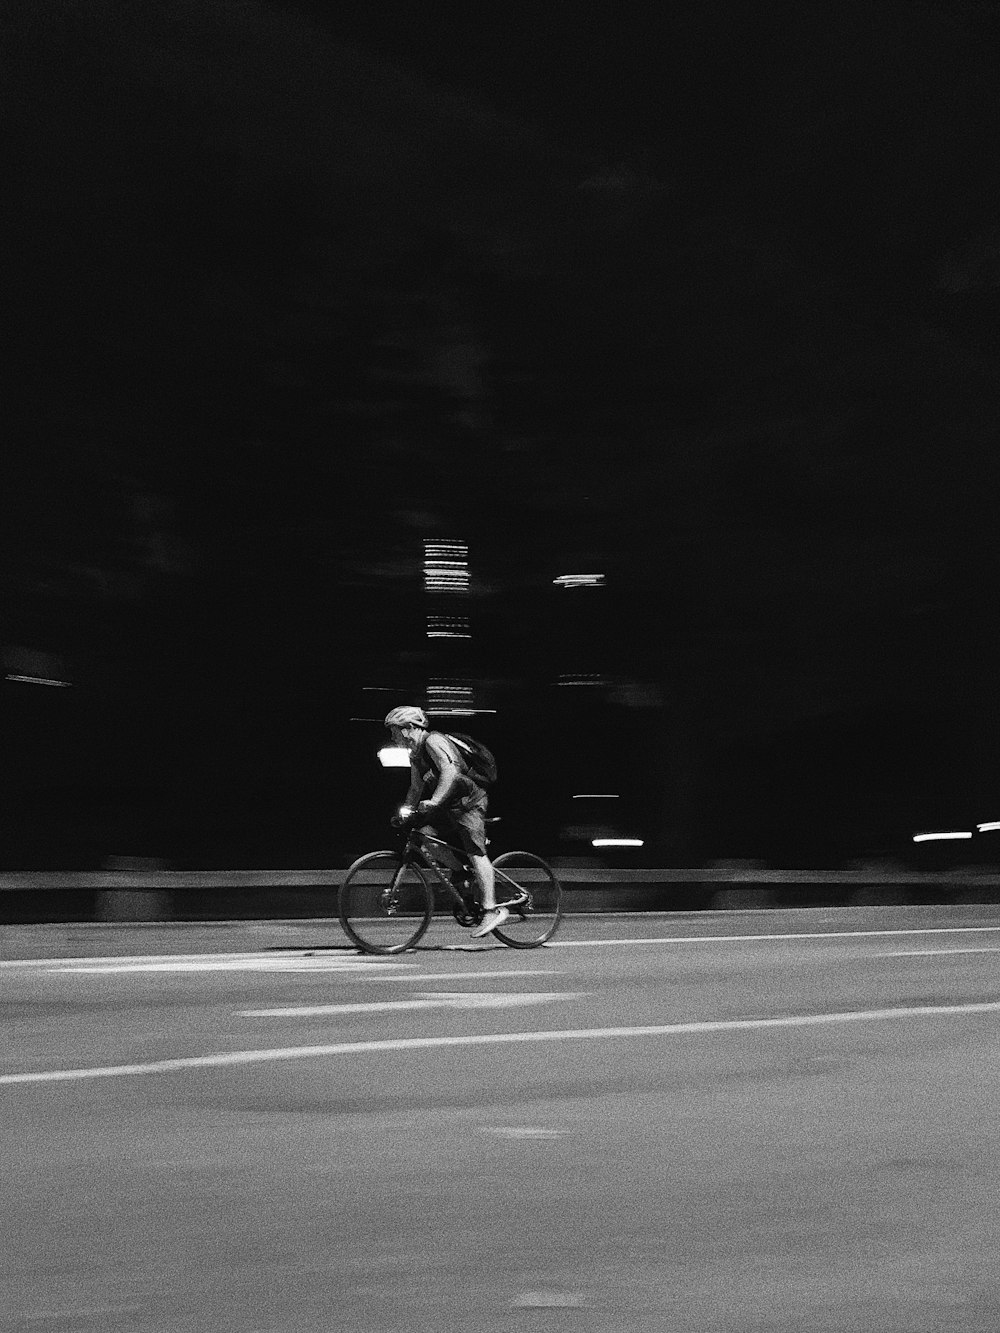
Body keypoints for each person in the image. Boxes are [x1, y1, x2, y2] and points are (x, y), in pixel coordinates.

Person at [383, 706, 508, 936]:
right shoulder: (415, 754)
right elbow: (415, 787)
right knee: (425, 838)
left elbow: (450, 771)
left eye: (394, 731)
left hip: (469, 801)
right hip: (448, 806)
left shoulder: (433, 741)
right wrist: (407, 812)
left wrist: (433, 802)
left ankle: (491, 910)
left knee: (476, 852)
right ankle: (461, 873)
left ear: (409, 728)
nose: (393, 736)